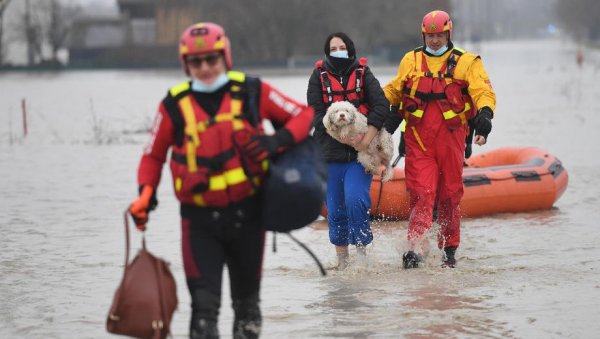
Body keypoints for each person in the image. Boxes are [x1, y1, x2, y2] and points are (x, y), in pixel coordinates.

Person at [128, 22, 314, 338]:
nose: (205, 68)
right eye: (196, 62)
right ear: (186, 65)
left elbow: (304, 116)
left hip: (249, 217)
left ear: (225, 57)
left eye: (211, 60)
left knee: (247, 310)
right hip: (199, 223)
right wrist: (145, 194)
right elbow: (152, 156)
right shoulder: (173, 105)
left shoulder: (253, 91)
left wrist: (275, 141)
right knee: (203, 311)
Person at [383, 10, 496, 269]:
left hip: (452, 140)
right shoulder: (410, 60)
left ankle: (449, 250)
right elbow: (395, 90)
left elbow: (482, 91)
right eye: (430, 36)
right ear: (424, 35)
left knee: (450, 195)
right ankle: (415, 248)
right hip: (418, 141)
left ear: (449, 33)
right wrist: (375, 108)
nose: (435, 40)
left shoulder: (467, 62)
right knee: (422, 193)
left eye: (439, 35)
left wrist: (485, 115)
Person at [307, 32, 390, 270]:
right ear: (327, 52)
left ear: (350, 48)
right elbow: (315, 113)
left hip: (359, 157)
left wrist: (365, 141)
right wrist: (343, 136)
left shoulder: (363, 73)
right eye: (333, 48)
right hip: (328, 156)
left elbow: (382, 105)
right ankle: (342, 262)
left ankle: (363, 258)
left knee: (356, 201)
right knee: (335, 211)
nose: (338, 51)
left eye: (341, 47)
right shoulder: (318, 76)